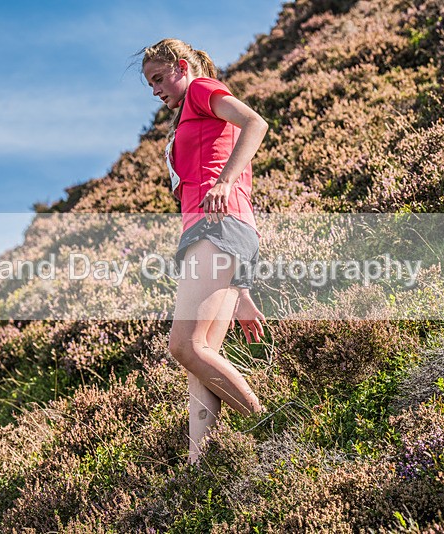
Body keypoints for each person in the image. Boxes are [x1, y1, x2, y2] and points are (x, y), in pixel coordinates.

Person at [138, 38, 269, 465]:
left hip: (217, 225)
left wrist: (225, 181)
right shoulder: (186, 112)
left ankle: (269, 425)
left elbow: (256, 124)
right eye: (150, 85)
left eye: (159, 79)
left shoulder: (199, 90)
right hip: (223, 230)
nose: (156, 91)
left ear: (180, 66)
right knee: (201, 356)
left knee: (185, 346)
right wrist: (243, 289)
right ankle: (199, 464)